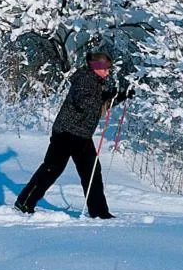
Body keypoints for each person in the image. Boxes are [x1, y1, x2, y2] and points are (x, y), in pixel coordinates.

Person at [15, 51, 131, 218]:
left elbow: (98, 107)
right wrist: (106, 95)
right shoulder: (84, 79)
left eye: (108, 69)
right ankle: (24, 202)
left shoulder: (96, 82)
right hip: (66, 133)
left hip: (81, 135)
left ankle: (99, 212)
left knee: (91, 172)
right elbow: (83, 102)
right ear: (95, 67)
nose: (107, 72)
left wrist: (118, 97)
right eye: (105, 69)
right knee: (52, 169)